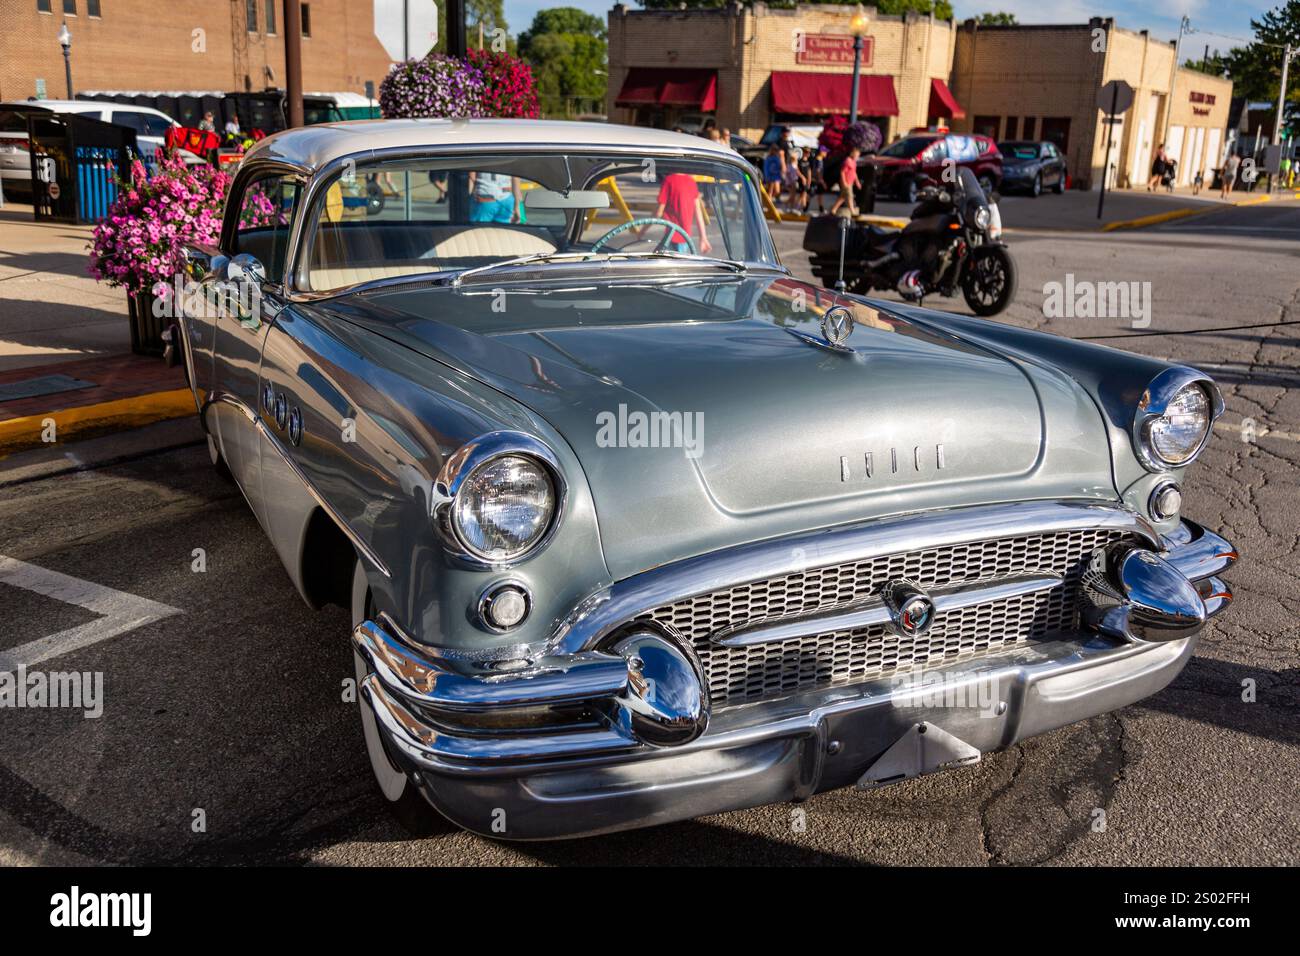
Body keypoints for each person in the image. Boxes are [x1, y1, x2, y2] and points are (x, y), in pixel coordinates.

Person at [647, 172, 712, 255]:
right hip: (685, 237)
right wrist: (703, 237)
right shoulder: (691, 182)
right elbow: (698, 213)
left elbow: (658, 213)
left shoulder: (668, 181)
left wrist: (642, 230)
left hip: (670, 237)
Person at [829, 145, 861, 217]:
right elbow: (842, 172)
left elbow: (854, 172)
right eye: (856, 154)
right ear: (852, 153)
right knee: (850, 196)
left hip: (851, 182)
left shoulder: (853, 162)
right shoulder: (848, 161)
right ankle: (852, 212)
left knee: (842, 197)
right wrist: (844, 182)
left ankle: (833, 210)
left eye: (858, 155)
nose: (857, 156)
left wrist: (857, 181)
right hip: (846, 182)